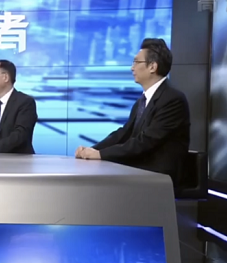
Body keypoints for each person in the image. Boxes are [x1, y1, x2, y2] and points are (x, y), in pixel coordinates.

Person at [75, 38, 190, 184]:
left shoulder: (172, 99)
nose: (132, 68)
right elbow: (124, 133)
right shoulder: (142, 101)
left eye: (136, 62)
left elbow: (145, 141)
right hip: (140, 168)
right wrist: (92, 150)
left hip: (160, 175)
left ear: (152, 67)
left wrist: (100, 154)